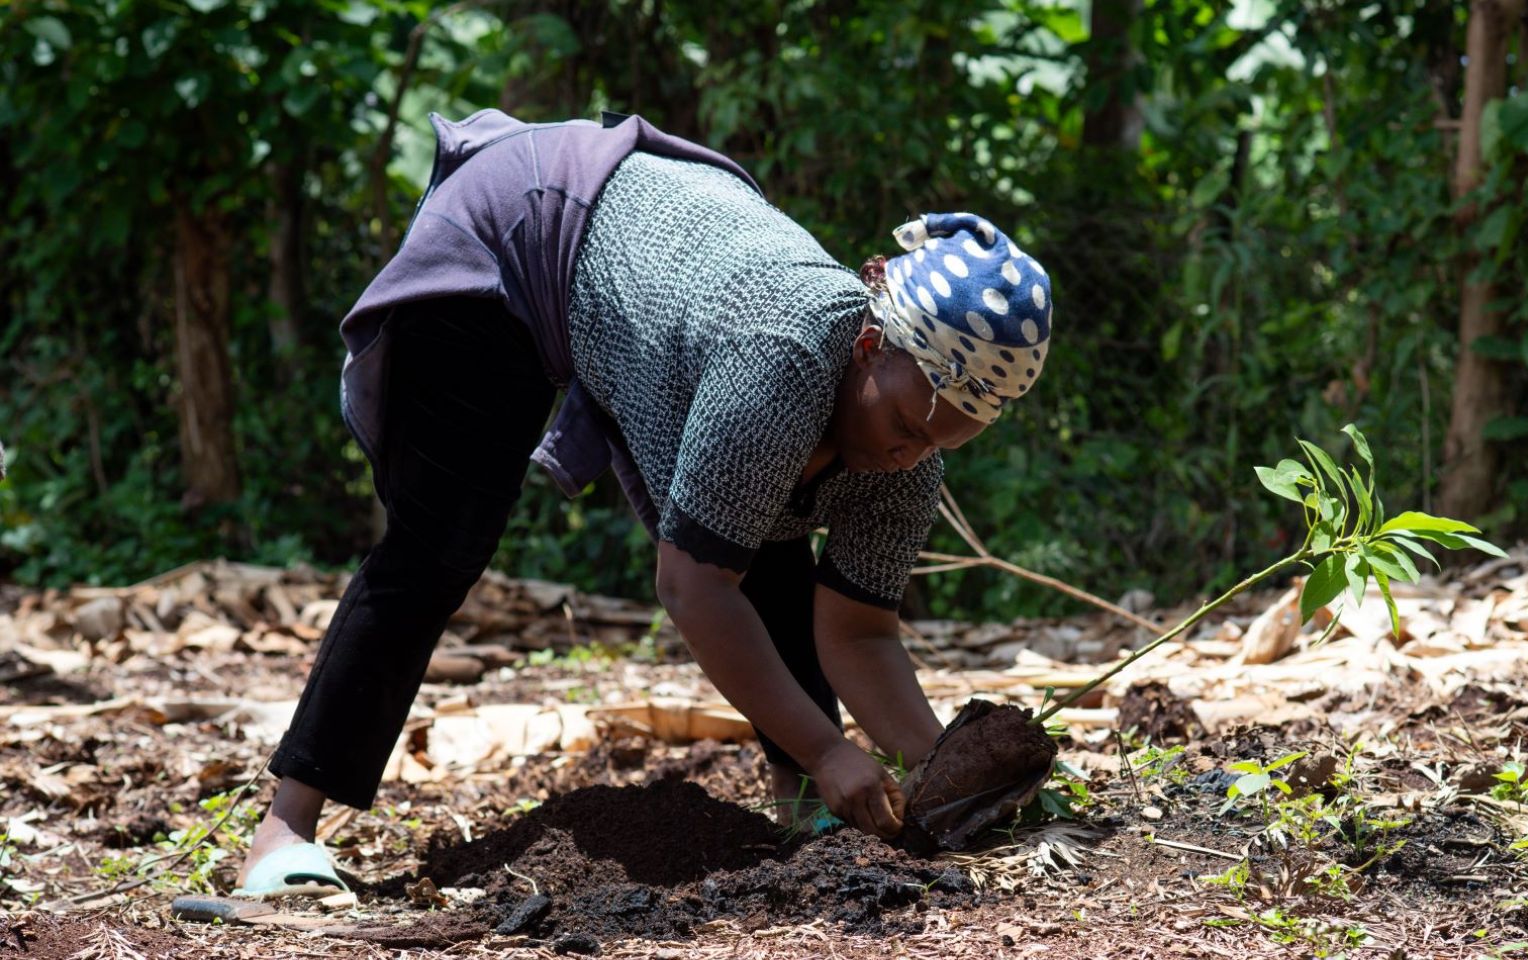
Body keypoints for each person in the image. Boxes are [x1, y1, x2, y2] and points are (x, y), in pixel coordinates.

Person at [233, 108, 1054, 897]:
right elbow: (691, 589)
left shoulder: (910, 455)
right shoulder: (782, 359)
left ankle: (804, 812)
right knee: (441, 542)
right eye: (908, 423)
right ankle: (284, 831)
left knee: (764, 528)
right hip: (520, 230)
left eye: (943, 443)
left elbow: (860, 631)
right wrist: (831, 749)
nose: (912, 452)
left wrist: (940, 767)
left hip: (653, 282)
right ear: (873, 341)